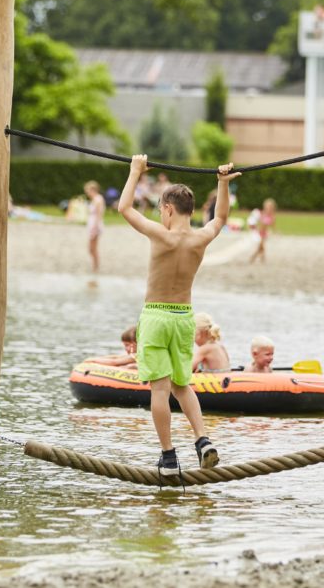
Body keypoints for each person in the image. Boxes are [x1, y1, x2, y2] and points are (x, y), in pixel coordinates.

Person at [117, 154, 238, 476]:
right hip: (185, 317)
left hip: (156, 316)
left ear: (168, 209)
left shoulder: (162, 235)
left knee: (160, 389)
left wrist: (134, 171)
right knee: (183, 386)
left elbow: (125, 209)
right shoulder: (200, 238)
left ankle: (169, 457)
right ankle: (202, 440)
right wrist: (222, 183)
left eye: (160, 210)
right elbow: (221, 218)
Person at [84, 180, 105, 273]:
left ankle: (95, 267)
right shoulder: (95, 199)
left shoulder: (98, 199)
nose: (87, 193)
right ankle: (94, 266)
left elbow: (99, 214)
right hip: (92, 224)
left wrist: (95, 227)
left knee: (93, 248)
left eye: (88, 190)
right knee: (91, 248)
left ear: (93, 189)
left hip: (95, 225)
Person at [249, 198, 276, 264]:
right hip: (259, 232)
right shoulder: (262, 213)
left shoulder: (272, 216)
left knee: (261, 246)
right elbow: (258, 222)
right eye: (267, 207)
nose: (269, 208)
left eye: (270, 207)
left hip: (265, 233)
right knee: (261, 246)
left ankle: (256, 257)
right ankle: (258, 257)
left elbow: (273, 225)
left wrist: (276, 232)